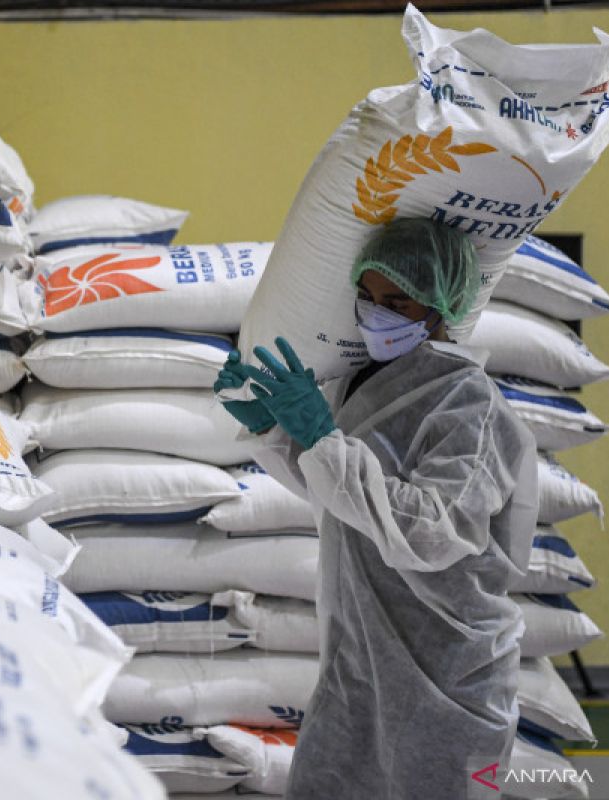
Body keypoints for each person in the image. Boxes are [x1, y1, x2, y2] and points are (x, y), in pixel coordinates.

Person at [214, 217, 538, 799]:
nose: (375, 314)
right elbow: (343, 493)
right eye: (367, 297)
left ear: (442, 306)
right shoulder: (364, 384)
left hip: (447, 675)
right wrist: (276, 430)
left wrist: (321, 439)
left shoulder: (469, 405)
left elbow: (431, 530)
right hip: (359, 659)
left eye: (397, 302)